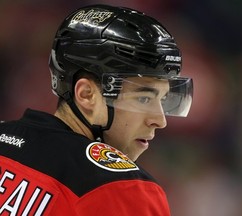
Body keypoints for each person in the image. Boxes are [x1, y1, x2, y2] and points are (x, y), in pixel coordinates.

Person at [0, 4, 193, 215]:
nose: (160, 120)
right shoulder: (120, 189)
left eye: (163, 99)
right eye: (144, 98)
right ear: (86, 94)